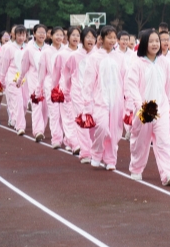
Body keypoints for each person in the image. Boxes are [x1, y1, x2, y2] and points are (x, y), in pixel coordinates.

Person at [125, 29, 170, 186]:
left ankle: (168, 172)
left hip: (161, 108)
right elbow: (132, 85)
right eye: (151, 41)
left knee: (164, 141)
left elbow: (169, 85)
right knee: (140, 141)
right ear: (144, 44)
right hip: (143, 109)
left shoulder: (165, 63)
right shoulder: (137, 64)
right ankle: (136, 168)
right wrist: (139, 105)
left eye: (157, 41)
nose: (155, 44)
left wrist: (169, 103)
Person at [81, 26, 127, 170]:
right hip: (100, 100)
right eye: (109, 37)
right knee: (101, 127)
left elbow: (125, 78)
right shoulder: (94, 57)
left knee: (114, 131)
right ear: (101, 38)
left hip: (116, 101)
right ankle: (96, 153)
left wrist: (128, 99)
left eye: (114, 38)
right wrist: (87, 104)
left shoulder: (120, 57)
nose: (112, 41)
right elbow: (88, 82)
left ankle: (110, 159)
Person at [64, 27, 97, 163]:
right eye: (88, 37)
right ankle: (85, 152)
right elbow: (67, 75)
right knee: (82, 121)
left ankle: (93, 149)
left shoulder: (97, 56)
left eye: (93, 37)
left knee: (94, 122)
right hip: (78, 93)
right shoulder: (74, 56)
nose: (90, 40)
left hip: (94, 95)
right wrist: (66, 91)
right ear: (82, 39)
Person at [50, 26, 82, 151]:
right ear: (67, 37)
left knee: (78, 117)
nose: (75, 38)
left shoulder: (83, 53)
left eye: (78, 35)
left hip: (80, 90)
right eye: (73, 35)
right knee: (68, 117)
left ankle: (69, 141)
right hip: (66, 90)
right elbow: (56, 74)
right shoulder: (62, 54)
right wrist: (54, 89)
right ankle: (75, 144)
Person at [18, 24, 50, 143]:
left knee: (45, 107)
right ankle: (38, 131)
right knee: (37, 104)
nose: (42, 35)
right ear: (34, 34)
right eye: (39, 32)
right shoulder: (29, 49)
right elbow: (24, 66)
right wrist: (20, 79)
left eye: (44, 32)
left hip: (46, 82)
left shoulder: (49, 49)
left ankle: (42, 128)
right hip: (33, 80)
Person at [37, 27, 67, 149]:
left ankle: (68, 139)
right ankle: (56, 139)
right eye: (57, 35)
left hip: (64, 86)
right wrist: (39, 87)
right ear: (51, 36)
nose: (59, 37)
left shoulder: (66, 51)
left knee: (65, 114)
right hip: (50, 85)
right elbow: (41, 71)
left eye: (61, 35)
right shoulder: (46, 52)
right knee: (54, 113)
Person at [0, 26, 28, 135]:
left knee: (24, 104)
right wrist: (1, 80)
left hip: (25, 79)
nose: (21, 37)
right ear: (14, 35)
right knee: (17, 101)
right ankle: (20, 126)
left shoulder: (27, 48)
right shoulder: (9, 48)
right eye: (19, 35)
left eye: (23, 35)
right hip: (12, 78)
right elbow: (4, 65)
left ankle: (16, 119)